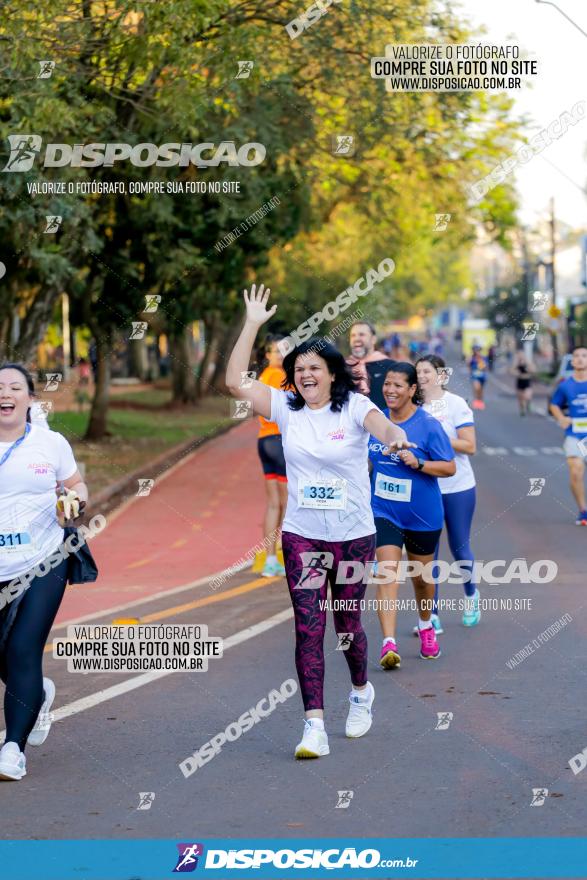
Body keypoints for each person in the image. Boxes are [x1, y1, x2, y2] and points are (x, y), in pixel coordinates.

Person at [226, 284, 412, 759]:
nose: (306, 374)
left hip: (352, 535)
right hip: (304, 535)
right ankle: (314, 726)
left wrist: (395, 440)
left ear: (331, 374)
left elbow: (383, 427)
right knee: (308, 627)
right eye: (299, 369)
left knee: (347, 624)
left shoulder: (353, 407)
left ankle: (360, 690)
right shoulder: (287, 411)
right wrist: (251, 323)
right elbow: (234, 383)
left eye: (314, 368)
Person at [0, 363, 88, 781]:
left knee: (22, 650)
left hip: (44, 560)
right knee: (9, 657)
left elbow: (76, 485)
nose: (6, 393)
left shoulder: (49, 443)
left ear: (30, 399)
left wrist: (73, 501)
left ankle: (12, 747)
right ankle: (39, 693)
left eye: (15, 387)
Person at [368, 363, 455, 669]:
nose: (390, 390)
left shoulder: (428, 425)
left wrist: (418, 463)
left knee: (421, 581)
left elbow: (449, 467)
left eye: (398, 385)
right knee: (386, 572)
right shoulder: (375, 421)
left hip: (422, 515)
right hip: (383, 510)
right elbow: (366, 460)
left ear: (412, 390)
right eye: (387, 384)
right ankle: (388, 644)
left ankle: (426, 624)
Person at [416, 355, 480, 629]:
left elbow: (470, 446)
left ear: (441, 375)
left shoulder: (455, 404)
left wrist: (437, 439)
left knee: (459, 547)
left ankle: (471, 595)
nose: (421, 376)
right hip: (425, 487)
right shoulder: (413, 406)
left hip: (458, 487)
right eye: (417, 371)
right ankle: (433, 616)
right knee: (428, 555)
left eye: (427, 371)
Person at [256, 335, 288, 577]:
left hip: (264, 441)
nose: (279, 354)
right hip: (279, 440)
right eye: (275, 351)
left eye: (283, 350)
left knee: (273, 503)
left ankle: (270, 559)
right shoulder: (279, 376)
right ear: (267, 354)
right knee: (289, 503)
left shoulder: (263, 376)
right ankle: (289, 556)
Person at [549, 346, 587, 526]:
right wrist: (561, 418)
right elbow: (554, 404)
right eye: (577, 356)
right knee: (576, 471)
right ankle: (583, 511)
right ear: (572, 362)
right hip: (575, 434)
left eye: (584, 356)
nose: (580, 359)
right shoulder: (565, 385)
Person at [346, 321, 397, 410]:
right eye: (353, 335)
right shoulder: (343, 367)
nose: (356, 338)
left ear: (373, 339)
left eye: (361, 334)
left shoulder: (391, 366)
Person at [511, 351, 534, 416]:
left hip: (527, 381)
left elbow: (533, 369)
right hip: (520, 382)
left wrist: (529, 370)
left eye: (522, 355)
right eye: (519, 355)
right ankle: (522, 410)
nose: (521, 356)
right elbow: (511, 370)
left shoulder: (528, 362)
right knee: (520, 398)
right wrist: (516, 373)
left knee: (527, 396)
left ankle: (528, 404)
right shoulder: (516, 363)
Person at [469, 345, 488, 410]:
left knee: (481, 390)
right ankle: (476, 402)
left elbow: (484, 368)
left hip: (482, 376)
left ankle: (480, 402)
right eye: (475, 350)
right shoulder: (471, 358)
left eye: (478, 350)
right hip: (475, 376)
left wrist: (480, 360)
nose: (476, 352)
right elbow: (468, 366)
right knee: (476, 388)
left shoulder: (483, 358)